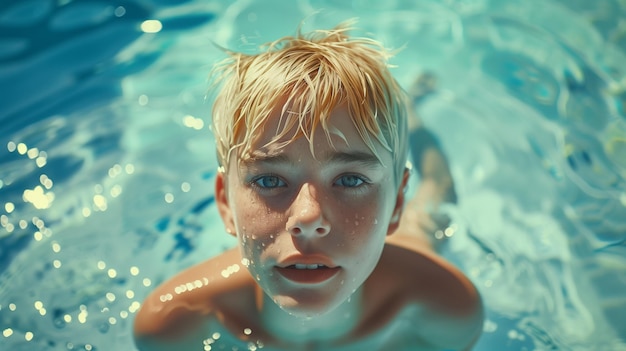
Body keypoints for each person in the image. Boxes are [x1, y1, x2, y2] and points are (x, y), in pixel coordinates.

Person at [133, 21, 483, 351]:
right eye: (270, 180)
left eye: (350, 179)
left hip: (414, 244)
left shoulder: (447, 310)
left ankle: (413, 114)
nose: (308, 216)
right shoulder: (173, 324)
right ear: (225, 204)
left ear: (395, 205)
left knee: (437, 190)